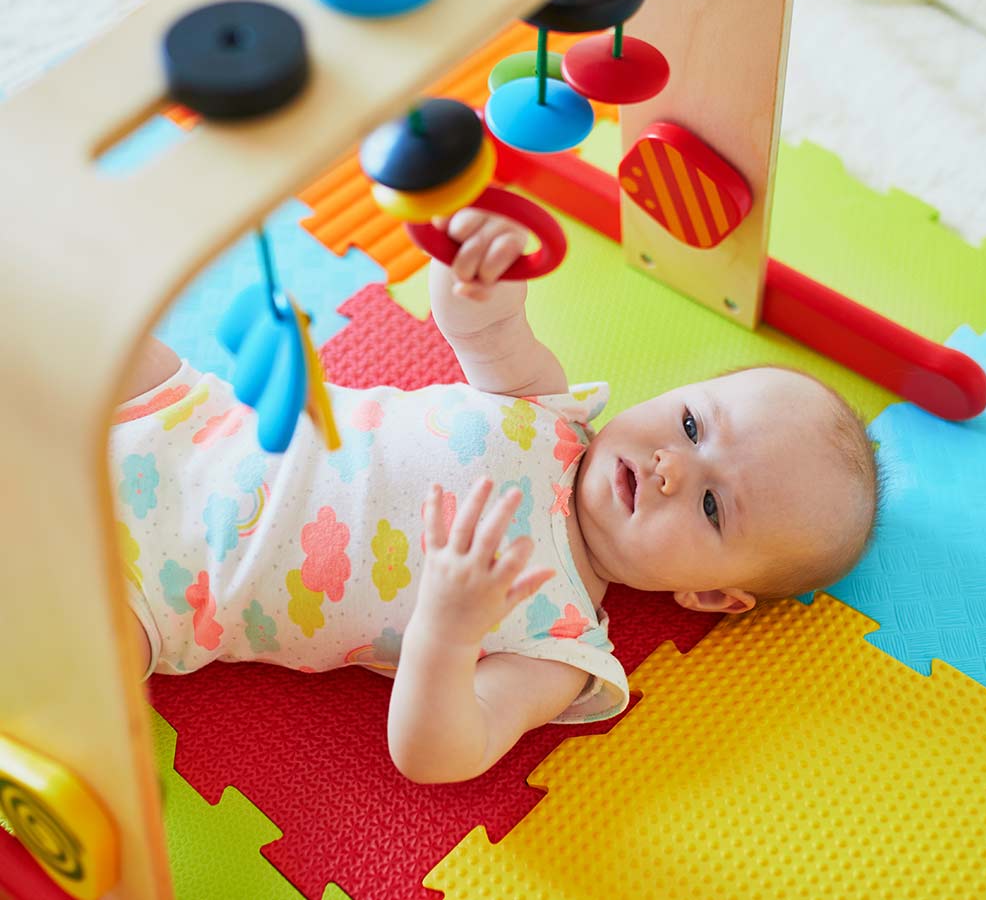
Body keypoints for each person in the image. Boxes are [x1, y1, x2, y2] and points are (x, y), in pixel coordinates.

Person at [112, 209, 878, 783]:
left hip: (165, 589)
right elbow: (483, 323)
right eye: (689, 423)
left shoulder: (562, 647)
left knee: (76, 680)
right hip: (187, 417)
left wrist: (445, 630)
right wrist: (476, 273)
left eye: (712, 507)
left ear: (711, 593)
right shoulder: (544, 408)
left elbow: (440, 757)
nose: (673, 467)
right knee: (84, 325)